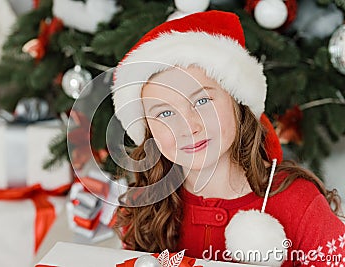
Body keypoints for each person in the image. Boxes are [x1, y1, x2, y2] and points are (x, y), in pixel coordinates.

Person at [110, 10, 345, 266]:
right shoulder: (143, 209)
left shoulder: (299, 202)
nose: (189, 126)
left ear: (238, 103)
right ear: (149, 131)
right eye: (165, 113)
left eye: (202, 101)